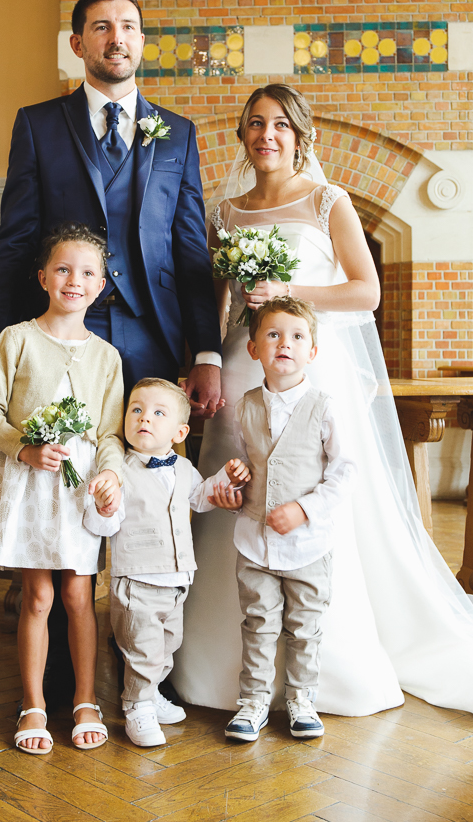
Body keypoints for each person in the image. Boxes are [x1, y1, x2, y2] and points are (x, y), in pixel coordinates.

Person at [173, 83, 473, 716]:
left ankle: (318, 670)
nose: (267, 134)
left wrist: (292, 289)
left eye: (280, 124)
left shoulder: (328, 201)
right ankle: (220, 663)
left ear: (300, 134)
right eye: (255, 123)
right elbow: (220, 302)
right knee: (237, 492)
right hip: (241, 367)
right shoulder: (225, 212)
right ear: (244, 135)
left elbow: (365, 292)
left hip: (311, 369)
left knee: (313, 486)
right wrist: (209, 362)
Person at [0, 0, 223, 705]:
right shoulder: (38, 124)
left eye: (130, 27)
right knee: (59, 490)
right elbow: (15, 237)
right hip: (59, 341)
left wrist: (204, 352)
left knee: (148, 494)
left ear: (141, 42)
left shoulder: (176, 133)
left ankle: (150, 670)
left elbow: (188, 251)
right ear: (78, 43)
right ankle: (56, 682)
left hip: (150, 338)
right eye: (101, 27)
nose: (118, 38)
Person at [0, 225, 125, 753]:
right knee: (37, 595)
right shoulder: (16, 339)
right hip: (32, 480)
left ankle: (85, 698)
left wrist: (110, 474)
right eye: (63, 269)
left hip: (79, 489)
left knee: (80, 594)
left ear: (101, 285)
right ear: (42, 278)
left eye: (86, 273)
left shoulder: (107, 356)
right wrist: (23, 448)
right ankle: (32, 703)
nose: (73, 281)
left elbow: (108, 433)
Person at [84, 377, 249, 747]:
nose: (144, 418)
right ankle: (136, 706)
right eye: (137, 410)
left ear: (179, 432)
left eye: (158, 413)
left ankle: (152, 693)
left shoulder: (183, 469)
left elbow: (201, 497)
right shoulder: (118, 471)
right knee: (141, 648)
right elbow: (100, 524)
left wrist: (225, 479)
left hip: (177, 579)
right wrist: (104, 506)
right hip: (136, 579)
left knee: (167, 645)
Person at [225, 297, 356, 742]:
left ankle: (302, 698)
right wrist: (236, 480)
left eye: (298, 336)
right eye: (274, 335)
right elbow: (246, 463)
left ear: (312, 352)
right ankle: (254, 699)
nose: (286, 344)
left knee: (305, 626)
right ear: (254, 348)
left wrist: (304, 509)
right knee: (258, 622)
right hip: (255, 541)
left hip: (309, 544)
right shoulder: (244, 407)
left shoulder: (325, 406)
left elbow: (345, 472)